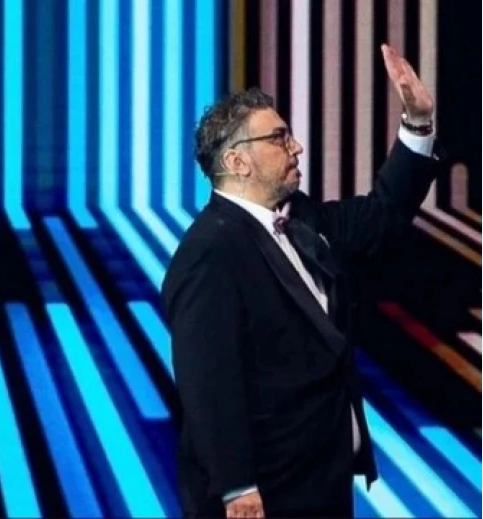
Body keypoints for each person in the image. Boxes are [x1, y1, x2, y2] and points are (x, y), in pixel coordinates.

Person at [161, 44, 442, 518]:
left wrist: (417, 123)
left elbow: (382, 214)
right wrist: (236, 487)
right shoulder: (210, 251)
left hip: (322, 484)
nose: (296, 147)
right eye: (279, 138)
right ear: (237, 162)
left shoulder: (303, 219)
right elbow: (208, 382)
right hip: (265, 498)